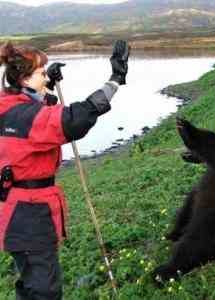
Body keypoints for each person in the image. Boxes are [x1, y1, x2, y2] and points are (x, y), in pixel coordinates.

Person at [0, 40, 129, 300]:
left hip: (18, 212)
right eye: (42, 72)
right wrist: (115, 80)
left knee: (32, 284)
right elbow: (74, 119)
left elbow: (36, 116)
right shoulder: (25, 117)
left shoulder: (10, 106)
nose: (47, 76)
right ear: (25, 79)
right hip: (29, 216)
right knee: (44, 291)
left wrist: (46, 87)